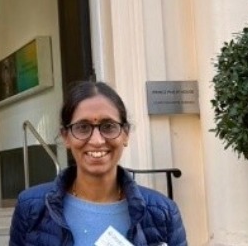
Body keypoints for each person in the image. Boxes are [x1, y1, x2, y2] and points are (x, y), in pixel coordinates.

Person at [9, 81, 187, 246]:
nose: (97, 140)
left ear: (125, 134)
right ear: (66, 137)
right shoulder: (31, 208)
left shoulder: (162, 212)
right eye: (82, 127)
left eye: (108, 126)